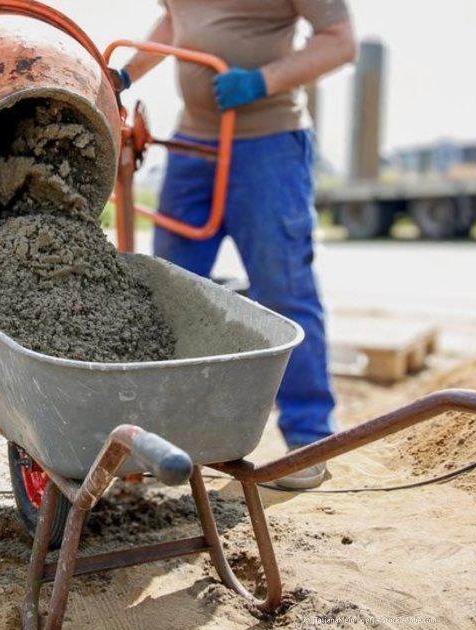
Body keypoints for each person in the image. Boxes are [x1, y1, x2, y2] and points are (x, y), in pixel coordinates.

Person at [115, 0, 358, 488]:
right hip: (193, 146)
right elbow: (176, 19)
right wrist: (123, 76)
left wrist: (263, 80)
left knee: (283, 288)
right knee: (166, 295)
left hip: (268, 145)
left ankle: (308, 440)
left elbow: (341, 41)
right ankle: (157, 442)